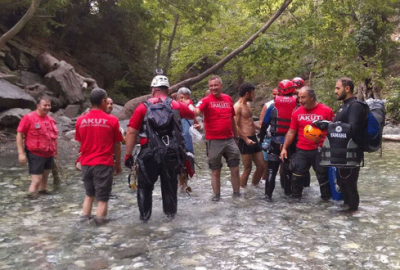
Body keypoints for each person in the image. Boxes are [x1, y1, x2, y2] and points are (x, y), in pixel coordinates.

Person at [124, 75, 195, 222]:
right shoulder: (175, 105)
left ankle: (144, 219)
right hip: (171, 152)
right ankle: (170, 220)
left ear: (153, 90)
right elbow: (192, 115)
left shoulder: (142, 107)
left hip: (148, 152)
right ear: (168, 90)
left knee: (144, 187)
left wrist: (128, 155)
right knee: (170, 188)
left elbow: (131, 131)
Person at [75, 88, 123, 225]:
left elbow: (80, 141)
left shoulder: (81, 120)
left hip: (86, 164)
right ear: (103, 101)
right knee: (102, 198)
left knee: (89, 195)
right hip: (103, 163)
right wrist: (118, 164)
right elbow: (117, 144)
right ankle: (99, 228)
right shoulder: (112, 120)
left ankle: (84, 220)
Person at [280, 86, 334, 199]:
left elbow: (333, 131)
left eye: (303, 97)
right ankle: (296, 202)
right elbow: (291, 131)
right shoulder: (297, 112)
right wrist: (284, 148)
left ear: (311, 97)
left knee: (322, 177)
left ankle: (326, 203)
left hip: (320, 149)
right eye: (299, 98)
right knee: (296, 175)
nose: (300, 100)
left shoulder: (326, 111)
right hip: (302, 150)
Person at [195, 75, 241, 201]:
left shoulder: (228, 99)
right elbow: (197, 111)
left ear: (221, 86)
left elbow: (232, 118)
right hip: (213, 140)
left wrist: (236, 137)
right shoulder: (205, 100)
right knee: (215, 170)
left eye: (216, 85)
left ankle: (236, 194)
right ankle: (217, 196)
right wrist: (189, 108)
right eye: (211, 86)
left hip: (230, 139)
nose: (213, 88)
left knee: (235, 168)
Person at [259, 80, 298, 200]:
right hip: (291, 143)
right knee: (287, 171)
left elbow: (264, 126)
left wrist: (261, 140)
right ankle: (288, 195)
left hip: (275, 141)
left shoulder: (272, 106)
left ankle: (267, 196)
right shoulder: (297, 106)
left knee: (271, 170)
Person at [332, 77, 367, 212]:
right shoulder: (344, 106)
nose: (335, 91)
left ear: (347, 89)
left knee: (349, 184)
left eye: (337, 88)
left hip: (352, 152)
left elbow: (352, 128)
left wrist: (331, 125)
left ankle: (353, 213)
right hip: (342, 152)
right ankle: (347, 213)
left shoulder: (355, 106)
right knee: (342, 183)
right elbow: (339, 127)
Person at [16, 96, 58, 198]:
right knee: (36, 180)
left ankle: (43, 199)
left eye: (49, 105)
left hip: (49, 154)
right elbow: (19, 134)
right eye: (45, 105)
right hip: (35, 154)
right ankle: (31, 202)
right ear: (38, 106)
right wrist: (21, 153)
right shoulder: (29, 118)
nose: (47, 107)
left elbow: (54, 138)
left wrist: (56, 153)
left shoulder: (51, 120)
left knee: (44, 179)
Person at [234, 82, 265, 188]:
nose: (254, 95)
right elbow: (235, 126)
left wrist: (260, 128)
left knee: (261, 165)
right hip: (244, 140)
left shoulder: (248, 105)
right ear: (247, 93)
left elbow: (250, 122)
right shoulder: (237, 107)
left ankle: (254, 187)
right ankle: (242, 190)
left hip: (254, 138)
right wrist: (246, 139)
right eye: (253, 93)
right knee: (248, 168)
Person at [176, 87, 198, 192]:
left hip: (187, 144)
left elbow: (196, 121)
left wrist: (198, 127)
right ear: (177, 98)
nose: (183, 100)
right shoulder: (173, 108)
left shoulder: (190, 109)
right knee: (176, 169)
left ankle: (182, 189)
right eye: (181, 97)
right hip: (175, 144)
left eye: (186, 98)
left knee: (186, 169)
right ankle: (177, 189)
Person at [258, 87, 279, 182]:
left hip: (280, 136)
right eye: (274, 94)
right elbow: (261, 123)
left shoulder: (286, 105)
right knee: (266, 162)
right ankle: (264, 181)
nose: (276, 96)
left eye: (278, 94)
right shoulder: (268, 105)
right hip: (268, 136)